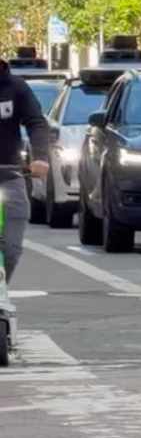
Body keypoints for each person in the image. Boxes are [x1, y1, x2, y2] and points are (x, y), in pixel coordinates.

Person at [0, 57, 50, 287]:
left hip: (10, 176)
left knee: (10, 249)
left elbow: (37, 123)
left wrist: (40, 158)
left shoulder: (16, 87)